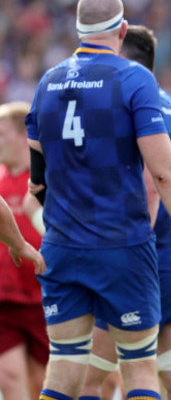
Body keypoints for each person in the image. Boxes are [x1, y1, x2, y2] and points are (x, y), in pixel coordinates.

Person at [25, 0, 171, 400]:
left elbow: (36, 180)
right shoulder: (134, 77)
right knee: (139, 371)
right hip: (122, 245)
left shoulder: (47, 81)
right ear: (123, 29)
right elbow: (164, 174)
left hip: (61, 245)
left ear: (77, 30)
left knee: (63, 367)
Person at [78, 24, 171, 400]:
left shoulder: (129, 106)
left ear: (120, 59)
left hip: (146, 261)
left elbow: (152, 185)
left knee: (84, 381)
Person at [0, 102, 48, 400]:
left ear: (22, 137)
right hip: (5, 299)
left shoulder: (45, 179)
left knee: (42, 382)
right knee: (10, 376)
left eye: (2, 133)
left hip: (45, 297)